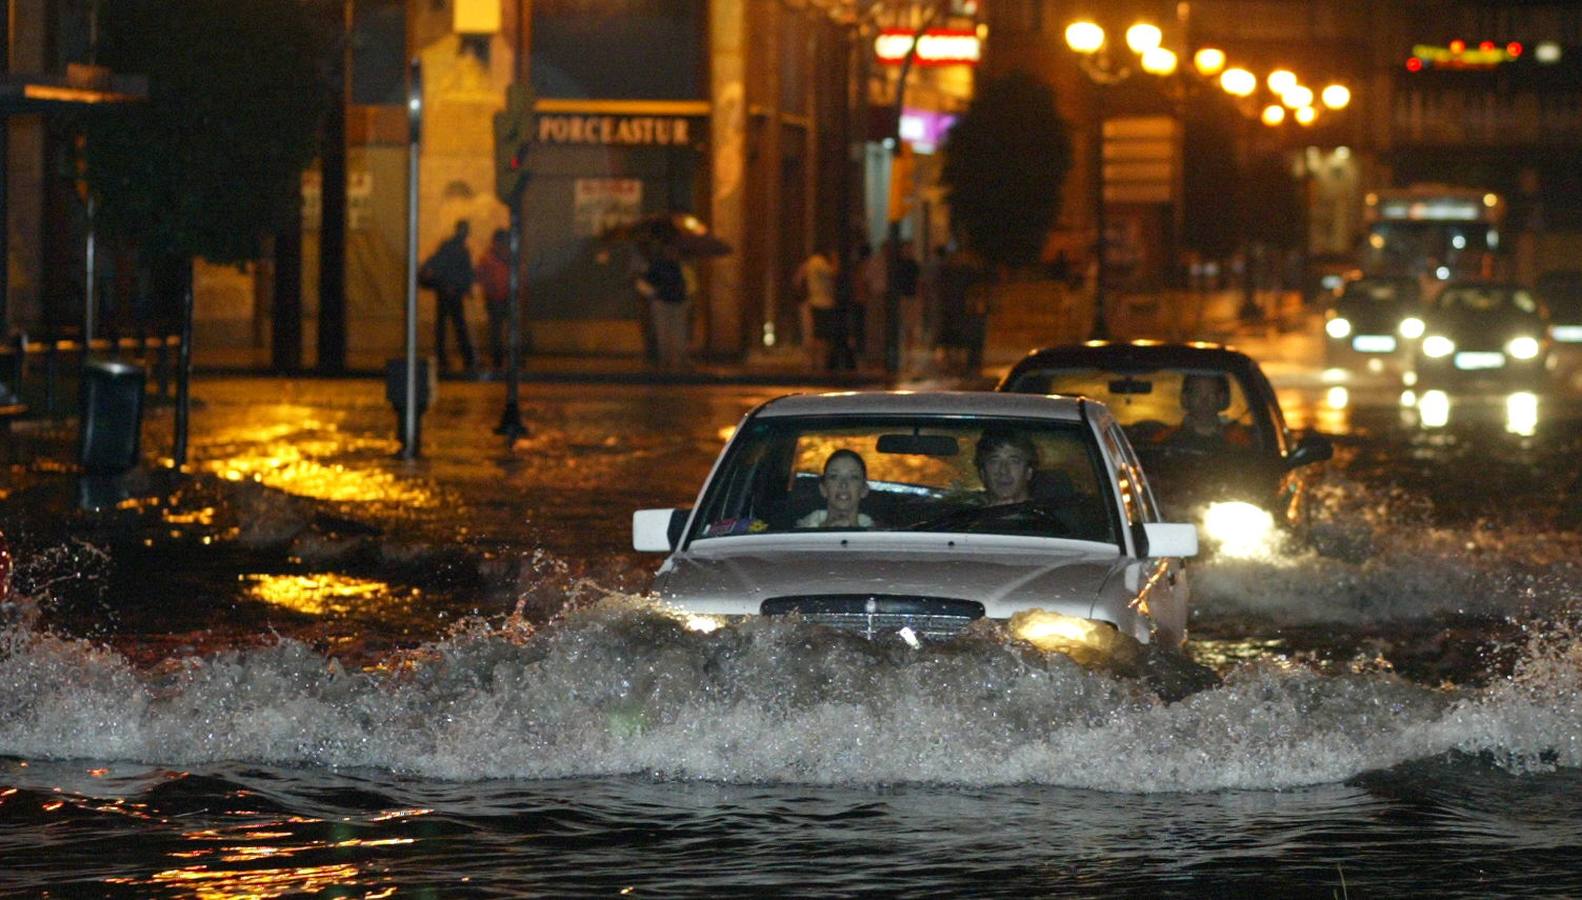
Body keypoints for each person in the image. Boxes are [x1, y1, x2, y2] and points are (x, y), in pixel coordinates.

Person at [419, 219, 477, 375]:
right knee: (458, 326)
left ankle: (444, 357)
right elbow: (465, 271)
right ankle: (467, 357)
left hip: (445, 291)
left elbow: (439, 265)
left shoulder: (449, 247)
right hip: (452, 292)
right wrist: (466, 287)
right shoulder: (459, 249)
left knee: (444, 326)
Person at [1158, 373, 1254, 448]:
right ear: (1185, 399)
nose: (1204, 401)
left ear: (1221, 400)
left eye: (1211, 395)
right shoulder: (1166, 439)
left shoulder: (1239, 440)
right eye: (1197, 394)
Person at [637, 241, 690, 370]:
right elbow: (643, 282)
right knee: (664, 331)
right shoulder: (657, 266)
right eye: (670, 250)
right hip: (663, 302)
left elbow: (687, 283)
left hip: (677, 302)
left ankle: (676, 359)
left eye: (675, 251)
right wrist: (654, 294)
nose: (673, 253)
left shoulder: (680, 266)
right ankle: (666, 359)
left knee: (678, 331)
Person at [796, 449, 874, 528]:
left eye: (853, 477)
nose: (843, 484)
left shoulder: (879, 537)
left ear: (864, 490)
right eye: (834, 476)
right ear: (823, 489)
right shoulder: (796, 537)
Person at [475, 227, 512, 374]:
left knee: (506, 330)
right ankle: (498, 359)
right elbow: (481, 277)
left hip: (505, 297)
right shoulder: (488, 258)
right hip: (495, 298)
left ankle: (507, 358)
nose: (503, 245)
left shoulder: (494, 258)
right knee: (497, 330)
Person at [793, 248, 837, 368]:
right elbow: (833, 272)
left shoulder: (807, 264)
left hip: (813, 300)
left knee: (812, 333)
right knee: (821, 334)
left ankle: (812, 361)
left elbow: (797, 281)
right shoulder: (819, 262)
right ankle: (819, 361)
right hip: (822, 301)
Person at [975, 428, 1038, 506]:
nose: (1003, 470)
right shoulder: (965, 515)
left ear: (1029, 472)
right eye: (994, 461)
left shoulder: (1048, 516)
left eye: (1014, 461)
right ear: (982, 473)